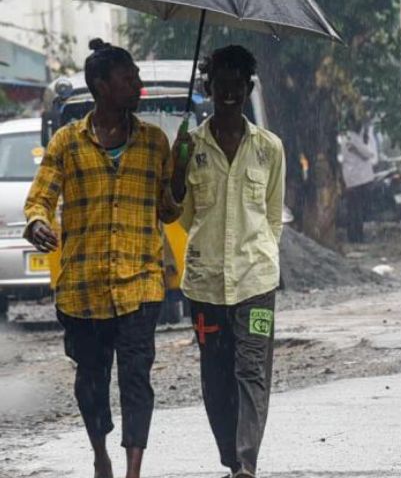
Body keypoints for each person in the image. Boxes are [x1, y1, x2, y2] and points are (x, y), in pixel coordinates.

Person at [24, 39, 182, 478]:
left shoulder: (155, 143)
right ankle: (101, 454)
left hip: (140, 284)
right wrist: (37, 223)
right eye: (128, 78)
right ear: (101, 85)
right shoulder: (67, 142)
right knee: (91, 383)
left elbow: (169, 210)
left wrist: (181, 175)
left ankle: (133, 470)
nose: (138, 85)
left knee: (136, 379)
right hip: (83, 289)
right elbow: (40, 198)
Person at [169, 45, 285, 478]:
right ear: (209, 88)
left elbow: (273, 215)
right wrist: (176, 167)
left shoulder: (269, 148)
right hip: (205, 285)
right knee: (216, 378)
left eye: (238, 86)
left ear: (249, 88)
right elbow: (179, 214)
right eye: (222, 87)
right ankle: (231, 458)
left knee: (252, 370)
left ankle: (246, 463)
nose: (230, 95)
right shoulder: (191, 146)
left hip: (256, 282)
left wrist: (262, 255)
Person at [338, 117, 379, 242]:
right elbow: (368, 154)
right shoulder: (354, 137)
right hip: (360, 178)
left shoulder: (345, 137)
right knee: (358, 209)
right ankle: (357, 236)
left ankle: (353, 235)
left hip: (350, 178)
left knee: (353, 209)